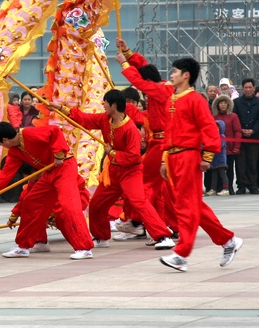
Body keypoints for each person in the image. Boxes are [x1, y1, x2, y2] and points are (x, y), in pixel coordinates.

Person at [51, 89, 174, 250]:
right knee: (97, 204)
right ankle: (101, 237)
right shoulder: (105, 119)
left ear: (114, 105)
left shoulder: (130, 129)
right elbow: (85, 119)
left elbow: (133, 157)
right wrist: (61, 109)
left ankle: (163, 236)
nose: (103, 105)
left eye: (105, 102)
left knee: (139, 202)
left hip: (130, 172)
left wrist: (112, 152)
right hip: (113, 173)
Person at [158, 57, 242, 272]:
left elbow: (210, 129)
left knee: (186, 207)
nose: (171, 75)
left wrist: (207, 157)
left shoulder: (195, 100)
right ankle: (228, 240)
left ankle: (181, 254)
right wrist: (164, 158)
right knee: (193, 206)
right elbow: (169, 132)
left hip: (189, 157)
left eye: (175, 71)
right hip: (174, 158)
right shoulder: (171, 100)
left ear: (186, 75)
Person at [0, 122, 94, 260]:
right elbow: (6, 173)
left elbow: (54, 131)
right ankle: (23, 246)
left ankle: (84, 248)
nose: (2, 147)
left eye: (0, 144)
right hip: (49, 172)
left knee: (68, 205)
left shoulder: (28, 134)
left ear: (4, 140)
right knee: (31, 202)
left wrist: (58, 153)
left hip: (64, 167)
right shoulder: (15, 152)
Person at [115, 42, 177, 248]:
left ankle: (136, 221)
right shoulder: (161, 87)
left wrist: (125, 65)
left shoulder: (159, 90)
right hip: (159, 143)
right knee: (158, 189)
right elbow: (144, 69)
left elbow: (140, 81)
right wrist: (128, 52)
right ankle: (158, 228)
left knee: (143, 184)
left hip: (161, 144)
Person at [233, 78, 259, 194]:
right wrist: (241, 130)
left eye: (250, 87)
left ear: (254, 88)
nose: (248, 90)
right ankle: (241, 185)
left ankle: (252, 185)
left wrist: (253, 130)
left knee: (252, 162)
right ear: (242, 89)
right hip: (240, 137)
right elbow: (235, 118)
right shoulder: (236, 102)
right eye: (245, 88)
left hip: (254, 137)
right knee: (240, 163)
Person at [212, 94, 241, 195]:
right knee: (216, 168)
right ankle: (217, 188)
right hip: (217, 148)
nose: (223, 105)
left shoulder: (233, 116)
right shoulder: (214, 116)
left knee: (229, 168)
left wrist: (236, 146)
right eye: (221, 103)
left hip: (229, 147)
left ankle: (229, 188)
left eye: (225, 103)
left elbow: (237, 131)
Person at [208, 120, 230, 196]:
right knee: (214, 175)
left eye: (218, 127)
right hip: (214, 160)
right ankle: (213, 189)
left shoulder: (222, 136)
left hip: (221, 160)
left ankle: (226, 189)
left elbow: (219, 146)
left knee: (222, 174)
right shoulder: (212, 137)